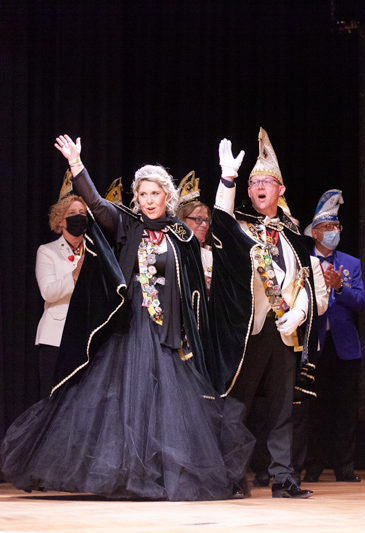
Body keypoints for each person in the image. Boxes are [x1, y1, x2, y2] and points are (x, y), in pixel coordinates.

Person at [1, 135, 254, 501]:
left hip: (168, 331)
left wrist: (227, 178)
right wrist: (76, 165)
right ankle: (126, 475)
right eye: (143, 194)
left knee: (168, 407)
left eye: (155, 194)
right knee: (126, 401)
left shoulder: (181, 234)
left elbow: (204, 262)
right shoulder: (127, 224)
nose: (149, 200)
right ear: (137, 197)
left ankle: (160, 474)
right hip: (131, 327)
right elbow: (96, 203)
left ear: (167, 196)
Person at [210, 129, 319, 499]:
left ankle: (283, 477)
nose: (258, 187)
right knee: (237, 404)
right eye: (253, 182)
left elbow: (304, 282)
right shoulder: (239, 226)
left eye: (266, 182)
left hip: (284, 331)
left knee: (283, 408)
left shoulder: (293, 236)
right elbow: (220, 220)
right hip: (250, 329)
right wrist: (228, 178)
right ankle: (230, 477)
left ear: (280, 190)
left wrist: (300, 313)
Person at [296, 190, 365, 483]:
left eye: (336, 226)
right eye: (327, 227)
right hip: (313, 345)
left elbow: (361, 302)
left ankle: (344, 465)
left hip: (344, 346)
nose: (333, 231)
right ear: (314, 233)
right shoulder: (301, 261)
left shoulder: (350, 263)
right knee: (314, 409)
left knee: (345, 409)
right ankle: (313, 465)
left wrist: (340, 287)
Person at [33, 176, 88, 399]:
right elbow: (48, 291)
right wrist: (75, 274)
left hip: (86, 338)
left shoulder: (95, 251)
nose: (78, 217)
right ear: (60, 221)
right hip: (55, 338)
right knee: (53, 401)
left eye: (82, 213)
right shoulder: (47, 251)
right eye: (72, 214)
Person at [175, 171, 212, 290]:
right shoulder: (173, 252)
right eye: (198, 219)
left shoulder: (210, 256)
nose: (204, 225)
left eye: (206, 220)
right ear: (182, 220)